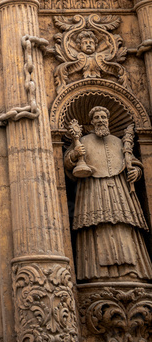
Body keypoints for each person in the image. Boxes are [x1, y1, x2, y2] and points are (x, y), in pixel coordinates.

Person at [65, 105, 152, 280]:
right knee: (96, 226)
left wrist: (137, 171)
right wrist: (74, 155)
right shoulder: (84, 140)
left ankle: (132, 272)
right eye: (96, 118)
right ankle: (97, 272)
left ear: (108, 120)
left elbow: (132, 162)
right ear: (91, 122)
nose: (100, 121)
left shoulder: (119, 142)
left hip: (120, 191)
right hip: (92, 191)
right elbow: (68, 163)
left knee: (124, 225)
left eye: (103, 117)